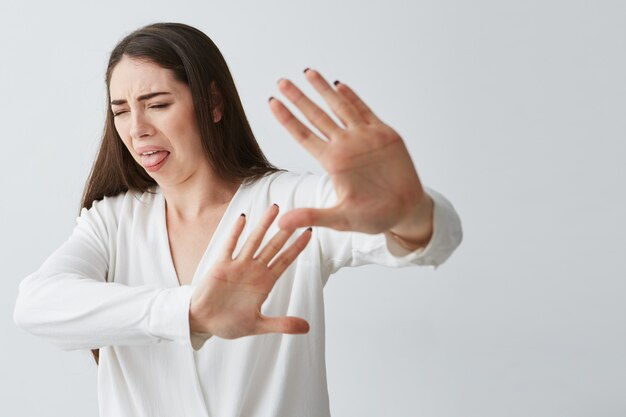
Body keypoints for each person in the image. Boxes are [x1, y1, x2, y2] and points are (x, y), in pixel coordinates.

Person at [13, 22, 463, 417]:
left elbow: (428, 238)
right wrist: (190, 313)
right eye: (121, 111)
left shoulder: (289, 201)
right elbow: (36, 305)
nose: (137, 128)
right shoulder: (112, 222)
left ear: (212, 103)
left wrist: (410, 212)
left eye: (158, 103)